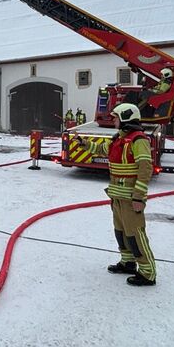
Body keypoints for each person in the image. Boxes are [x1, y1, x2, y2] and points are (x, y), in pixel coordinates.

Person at [71, 103, 156, 286]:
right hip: (117, 197)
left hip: (130, 198)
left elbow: (145, 168)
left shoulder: (138, 140)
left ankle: (148, 272)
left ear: (126, 118)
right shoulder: (119, 138)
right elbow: (103, 150)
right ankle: (128, 263)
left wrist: (139, 197)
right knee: (121, 233)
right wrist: (84, 144)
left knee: (135, 234)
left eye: (116, 117)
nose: (114, 120)